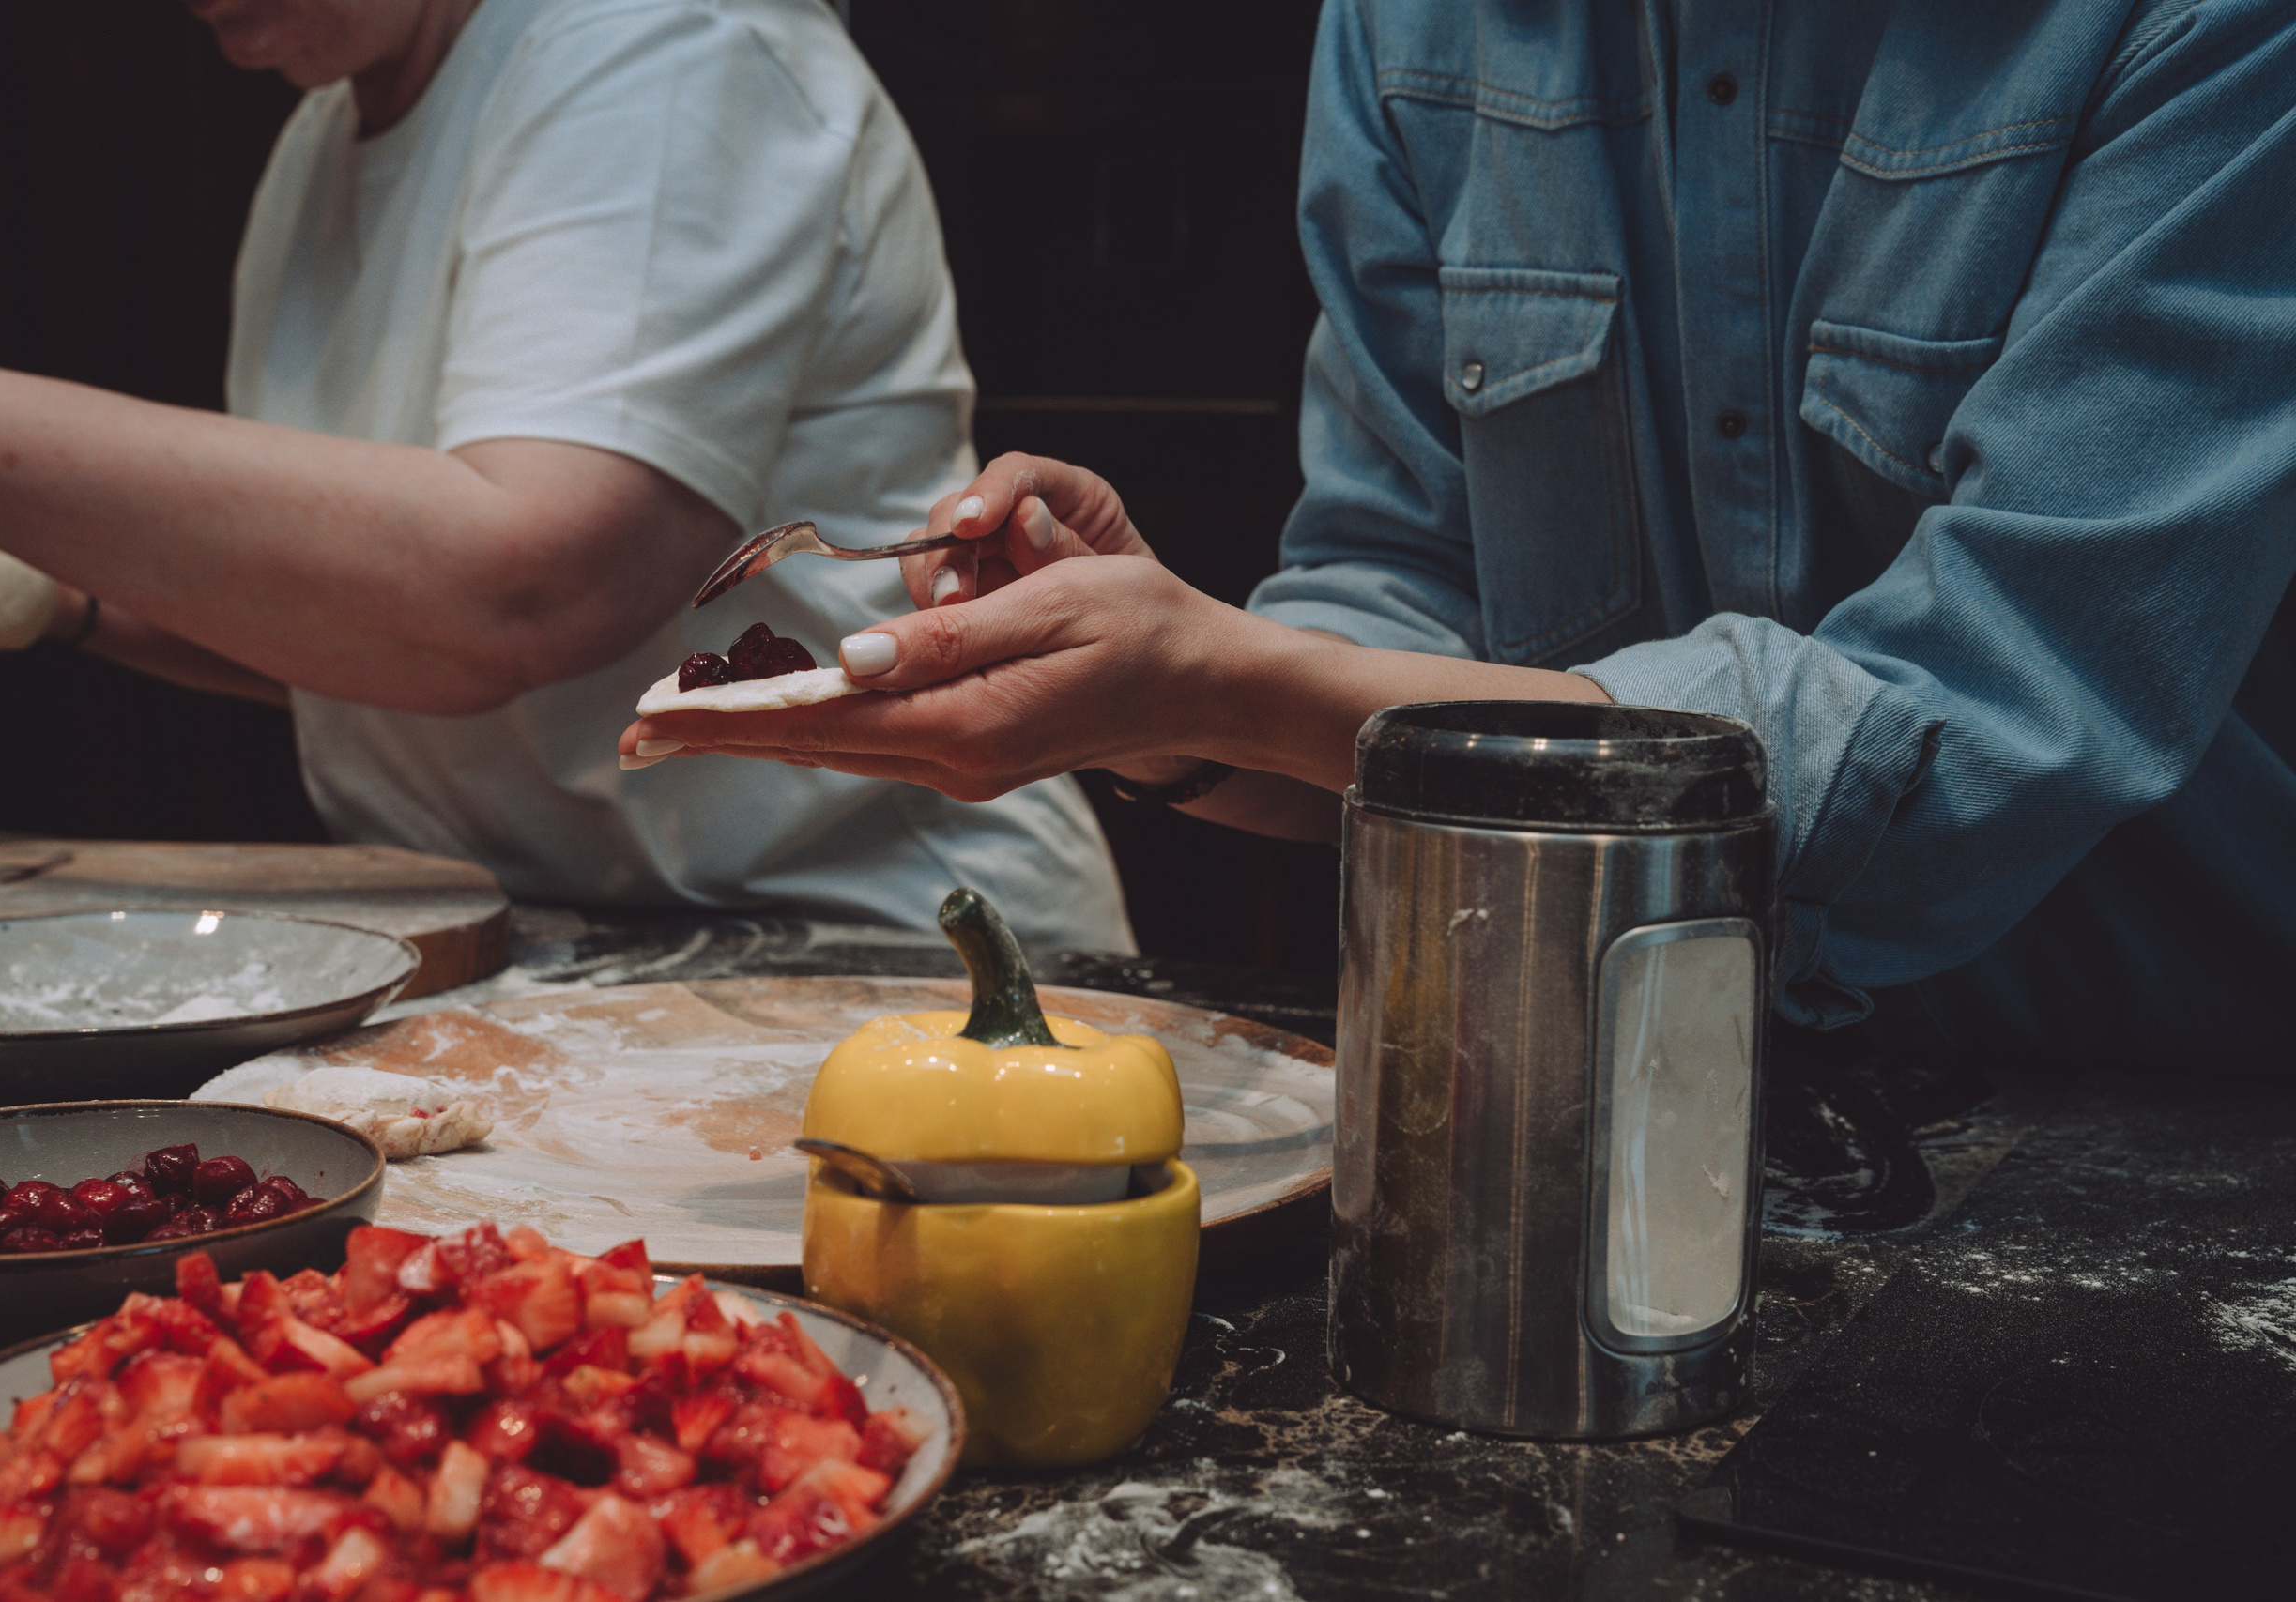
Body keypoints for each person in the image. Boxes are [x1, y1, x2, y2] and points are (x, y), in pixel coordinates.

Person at [623, 0, 2296, 1069]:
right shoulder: (1413, 29)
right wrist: (1172, 703)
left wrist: (1238, 682)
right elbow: (1398, 585)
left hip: (2135, 1121)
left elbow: (1985, 722)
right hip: (1562, 1075)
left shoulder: (2203, 33)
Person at [0, 0, 1130, 954]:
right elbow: (384, 625)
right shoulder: (323, 138)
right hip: (544, 941)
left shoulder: (664, 42)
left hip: (871, 945)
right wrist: (64, 592)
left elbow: (530, 593)